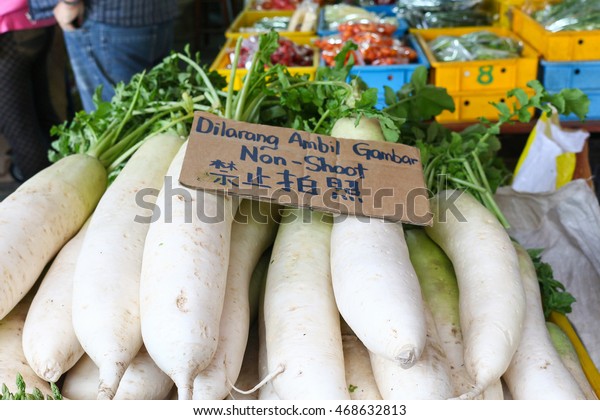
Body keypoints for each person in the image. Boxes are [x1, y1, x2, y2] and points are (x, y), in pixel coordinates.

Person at [28, 0, 178, 112]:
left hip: (107, 19)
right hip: (159, 13)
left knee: (114, 122)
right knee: (155, 111)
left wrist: (69, 3)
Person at [0, 0, 62, 181]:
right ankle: (67, 188)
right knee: (42, 114)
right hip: (39, 17)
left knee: (18, 125)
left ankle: (43, 199)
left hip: (8, 24)